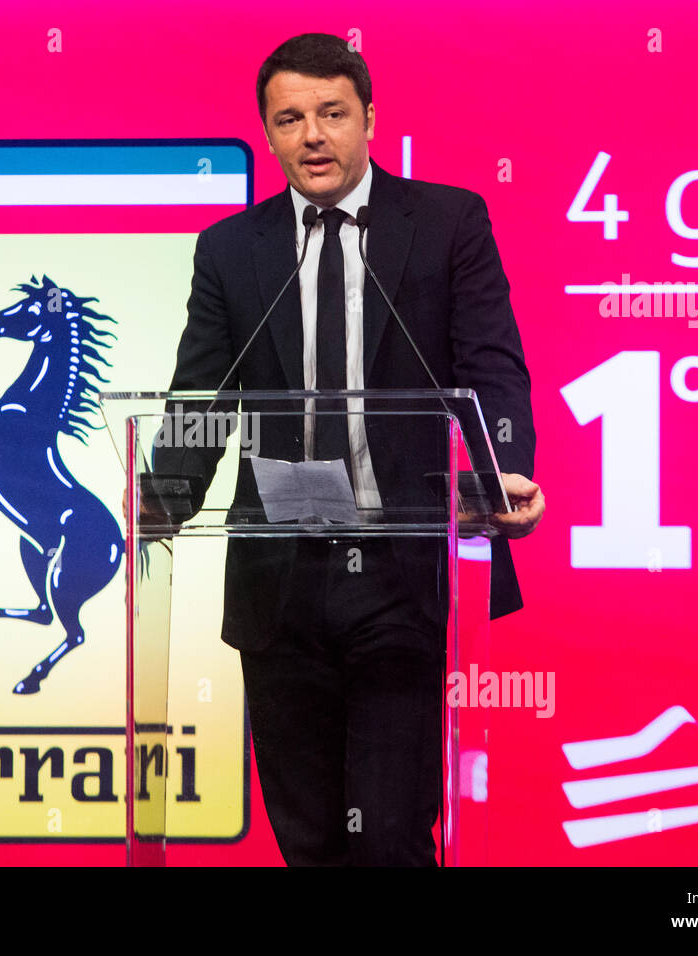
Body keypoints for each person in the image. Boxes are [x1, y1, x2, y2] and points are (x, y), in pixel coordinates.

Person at [151, 33, 544, 865]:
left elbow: (492, 366)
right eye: (290, 119)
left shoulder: (446, 223)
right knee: (311, 838)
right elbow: (205, 395)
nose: (313, 136)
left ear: (370, 118)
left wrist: (502, 472)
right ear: (268, 132)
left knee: (392, 837)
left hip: (400, 569)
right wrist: (160, 496)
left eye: (332, 114)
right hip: (280, 574)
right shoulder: (232, 248)